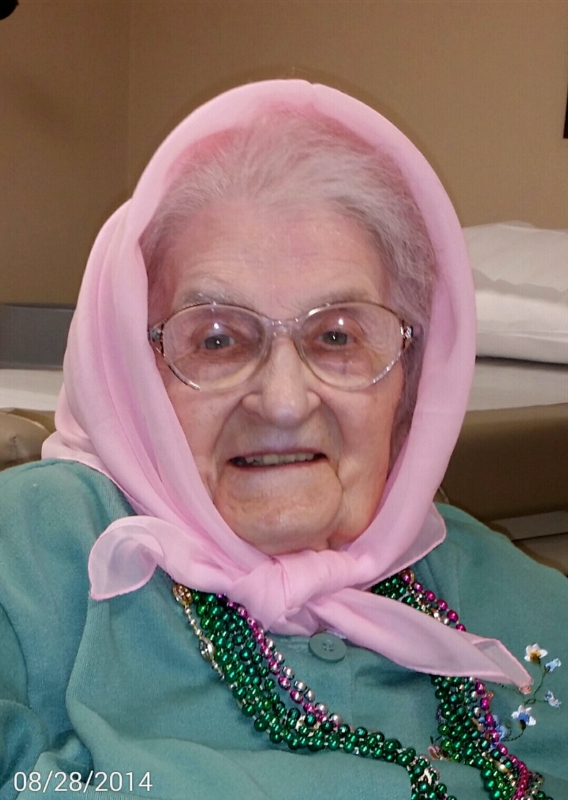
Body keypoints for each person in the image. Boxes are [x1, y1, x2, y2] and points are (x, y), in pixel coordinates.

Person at [0, 80, 566, 800]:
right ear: (132, 371)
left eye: (338, 337)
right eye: (215, 339)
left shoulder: (510, 595)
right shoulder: (31, 549)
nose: (285, 401)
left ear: (409, 379)